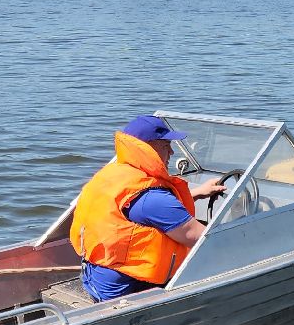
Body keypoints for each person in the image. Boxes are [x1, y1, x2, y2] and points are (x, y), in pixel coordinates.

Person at [70, 115, 226, 301]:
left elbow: (140, 210)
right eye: (165, 145)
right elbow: (205, 240)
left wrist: (198, 192)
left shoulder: (116, 174)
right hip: (123, 293)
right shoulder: (154, 200)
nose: (171, 152)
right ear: (148, 148)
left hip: (95, 278)